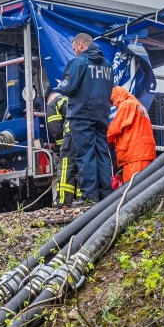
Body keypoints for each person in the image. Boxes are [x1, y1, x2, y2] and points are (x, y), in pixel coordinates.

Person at [48, 32, 113, 202]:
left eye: (74, 48)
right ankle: (105, 195)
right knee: (102, 155)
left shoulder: (79, 62)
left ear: (81, 45)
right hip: (102, 115)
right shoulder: (107, 65)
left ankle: (89, 197)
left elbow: (69, 88)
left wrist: (61, 85)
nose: (74, 51)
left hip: (82, 114)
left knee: (85, 155)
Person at [107, 86, 157, 184]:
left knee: (133, 189)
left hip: (134, 154)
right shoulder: (138, 105)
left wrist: (101, 141)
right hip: (143, 152)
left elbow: (114, 129)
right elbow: (129, 130)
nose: (114, 104)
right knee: (144, 186)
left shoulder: (126, 105)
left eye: (113, 101)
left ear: (117, 96)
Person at [46, 94, 81, 207]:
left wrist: (61, 148)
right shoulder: (72, 99)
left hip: (71, 133)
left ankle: (64, 201)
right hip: (85, 131)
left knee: (66, 166)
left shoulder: (52, 104)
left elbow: (56, 130)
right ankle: (83, 198)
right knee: (83, 166)